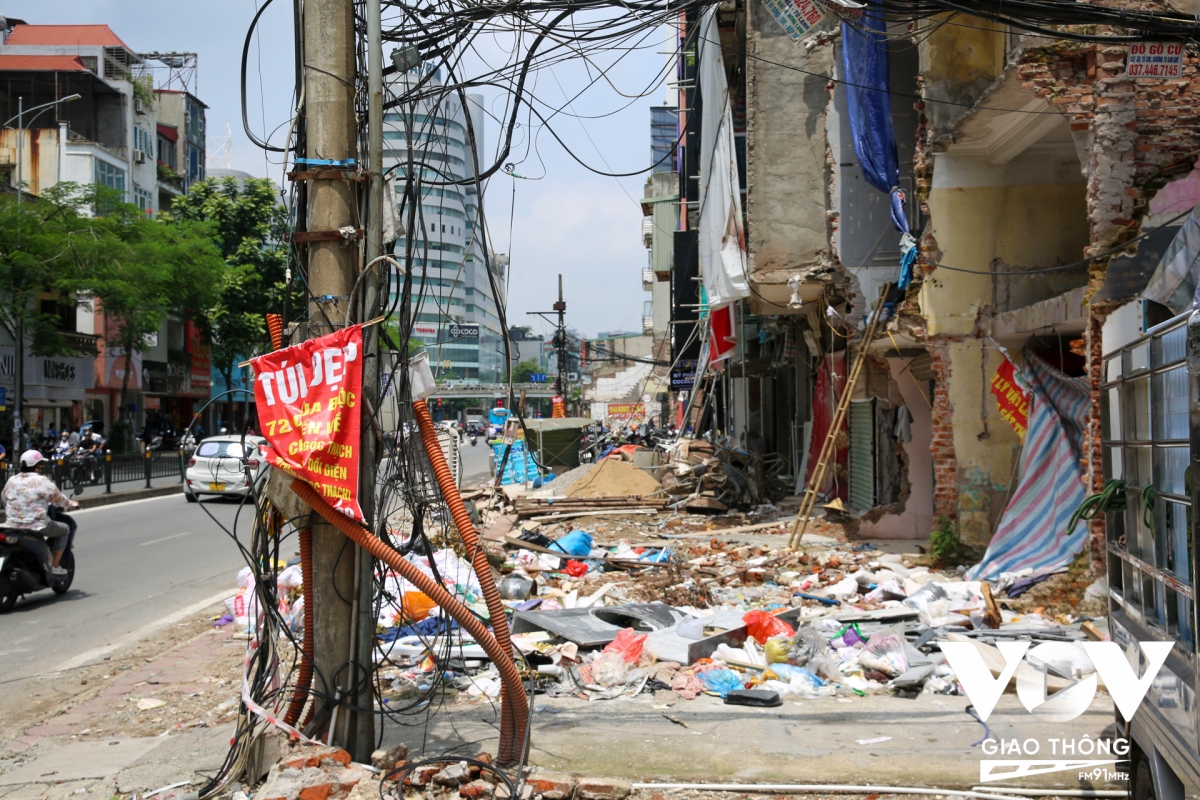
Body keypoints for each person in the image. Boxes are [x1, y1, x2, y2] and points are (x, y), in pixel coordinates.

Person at [1, 450, 78, 576]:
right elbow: (59, 499)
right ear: (37, 465)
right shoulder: (42, 480)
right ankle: (55, 566)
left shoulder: (12, 480)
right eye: (41, 463)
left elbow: (4, 499)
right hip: (36, 526)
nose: (42, 466)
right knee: (65, 529)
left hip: (11, 525)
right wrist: (71, 504)